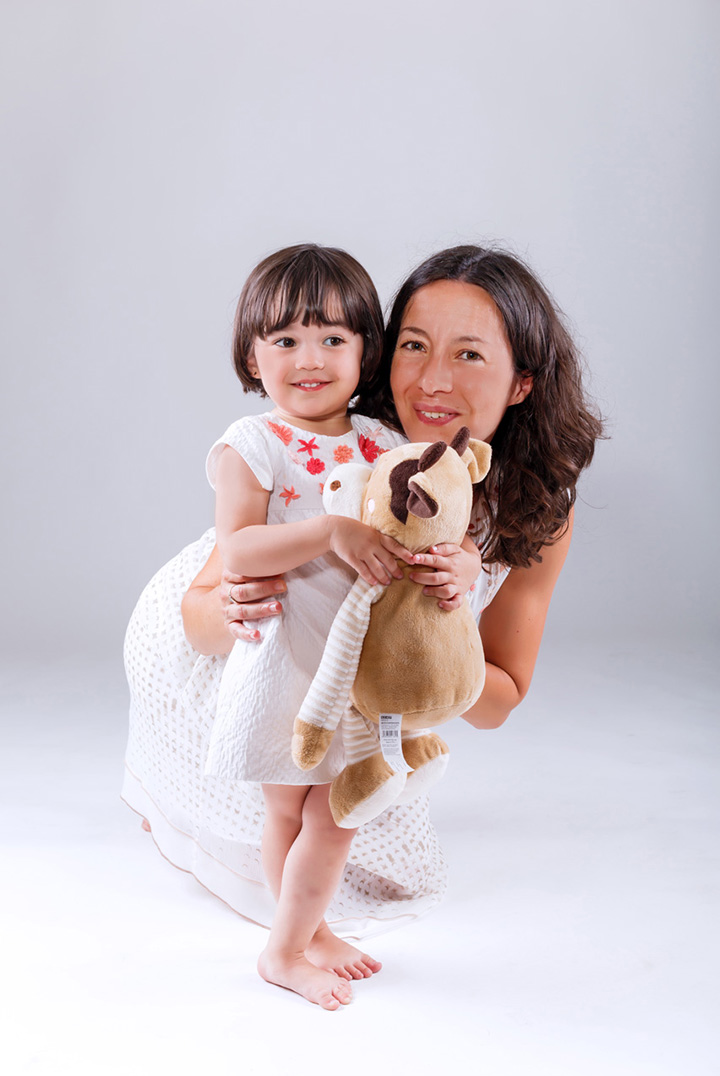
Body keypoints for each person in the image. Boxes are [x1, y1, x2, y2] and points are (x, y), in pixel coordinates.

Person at [123, 243, 601, 1006]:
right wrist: (243, 601)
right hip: (242, 653)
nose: (432, 380)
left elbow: (501, 697)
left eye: (469, 354)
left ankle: (294, 930)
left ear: (523, 382)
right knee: (284, 814)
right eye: (413, 346)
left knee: (343, 822)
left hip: (361, 688)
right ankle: (234, 871)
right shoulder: (352, 433)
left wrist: (442, 625)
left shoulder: (532, 505)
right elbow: (199, 618)